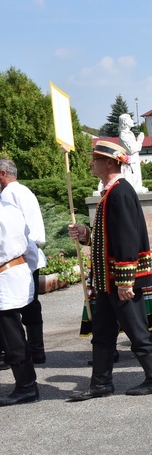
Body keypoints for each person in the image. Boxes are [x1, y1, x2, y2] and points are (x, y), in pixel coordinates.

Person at [68, 141, 152, 401]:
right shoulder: (110, 192)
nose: (90, 163)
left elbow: (126, 239)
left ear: (109, 163)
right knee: (101, 333)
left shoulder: (120, 192)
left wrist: (125, 282)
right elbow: (108, 238)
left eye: (95, 159)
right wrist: (85, 235)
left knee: (137, 330)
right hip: (106, 281)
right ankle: (100, 384)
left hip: (120, 280)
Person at [0, 159, 47, 364]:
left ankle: (14, 353)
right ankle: (37, 350)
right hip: (30, 254)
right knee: (30, 305)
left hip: (19, 255)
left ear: (2, 173)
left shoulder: (8, 194)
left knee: (10, 311)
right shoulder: (24, 190)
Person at [0, 201, 40, 406]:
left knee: (11, 335)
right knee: (11, 333)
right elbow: (30, 246)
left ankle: (26, 386)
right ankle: (26, 384)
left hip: (5, 276)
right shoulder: (11, 208)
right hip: (15, 272)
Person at [118, 113, 147, 193]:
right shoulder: (123, 135)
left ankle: (137, 187)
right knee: (132, 177)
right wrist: (140, 141)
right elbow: (131, 149)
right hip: (130, 161)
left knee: (137, 177)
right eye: (130, 119)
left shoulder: (130, 133)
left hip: (135, 159)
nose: (132, 121)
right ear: (125, 122)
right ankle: (135, 188)